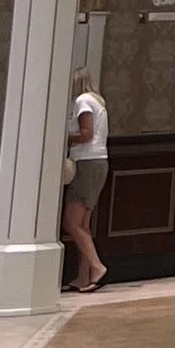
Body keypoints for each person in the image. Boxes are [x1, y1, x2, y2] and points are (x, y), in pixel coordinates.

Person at [64, 68, 109, 293]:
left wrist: (63, 136)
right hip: (99, 162)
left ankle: (97, 266)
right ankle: (84, 277)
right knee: (83, 225)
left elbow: (86, 133)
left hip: (86, 163)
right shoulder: (98, 102)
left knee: (71, 223)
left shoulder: (83, 101)